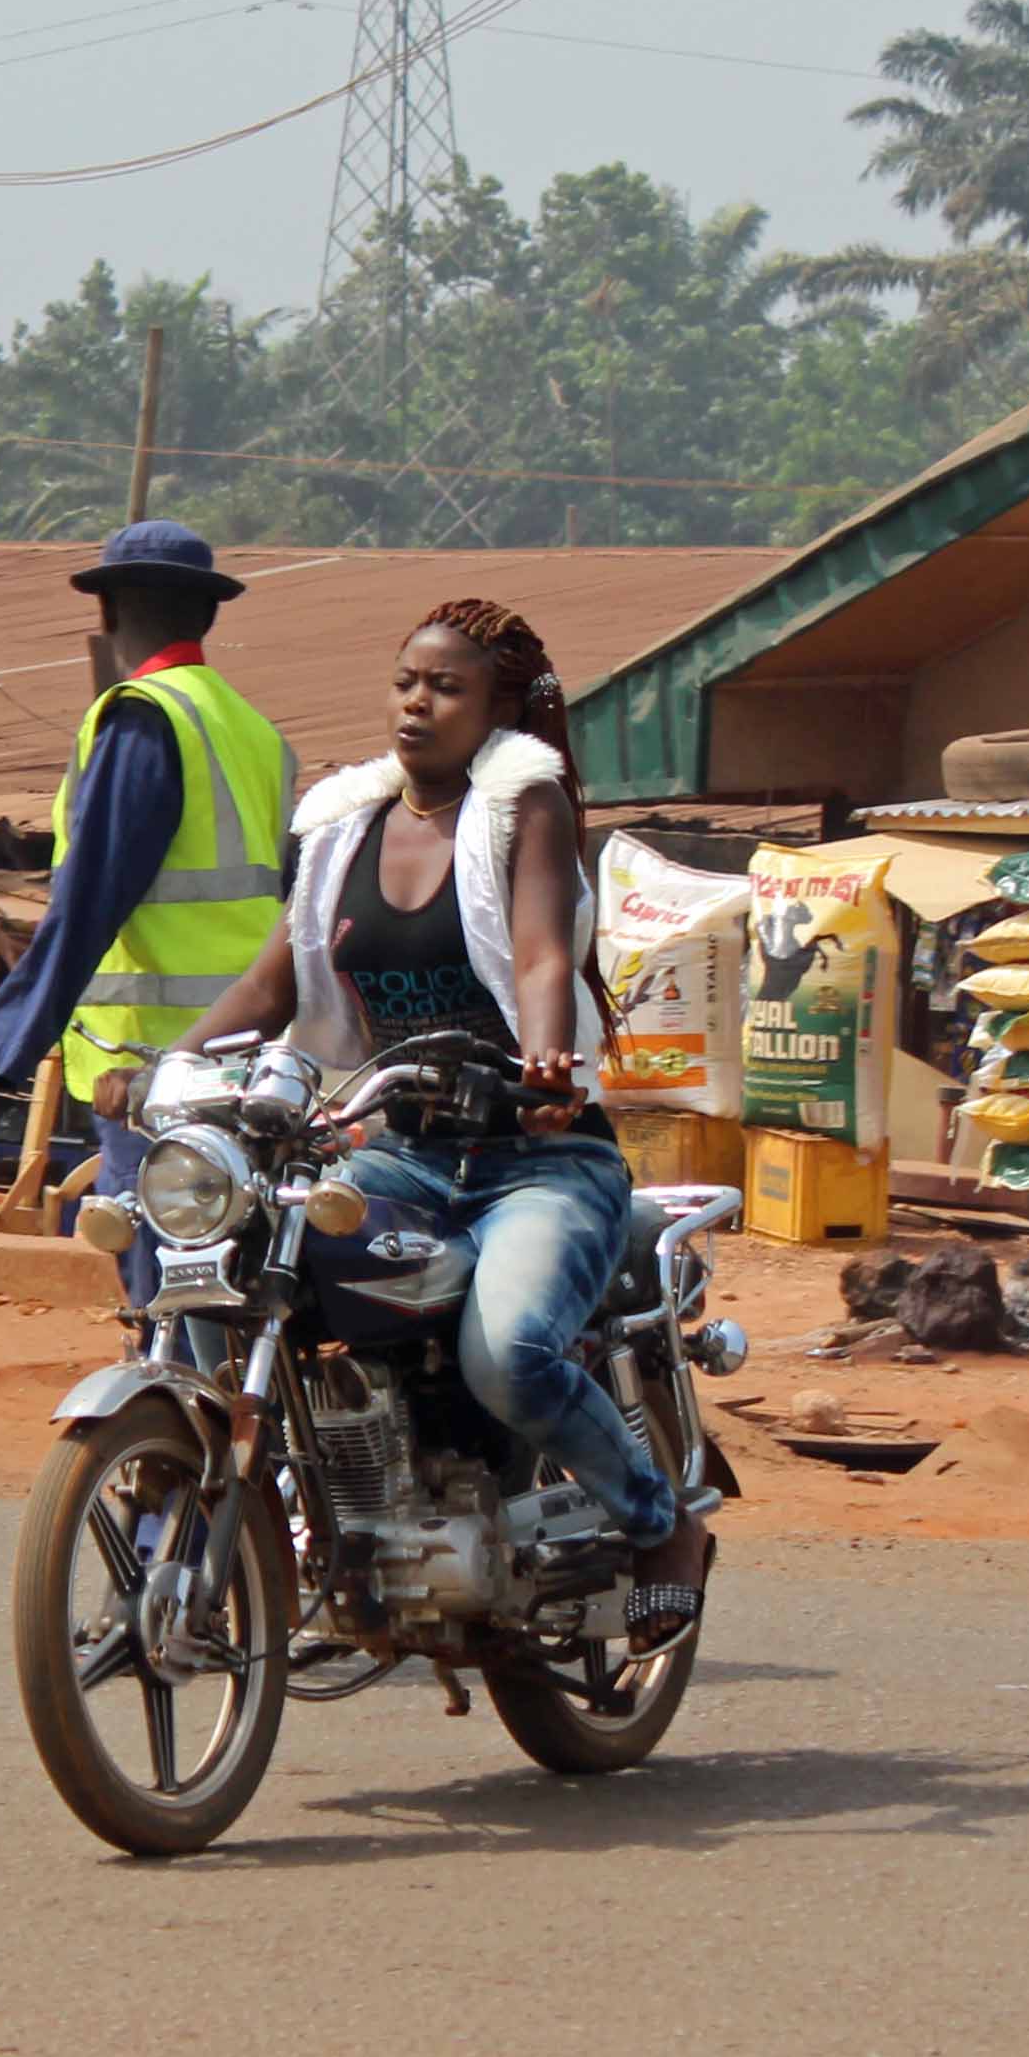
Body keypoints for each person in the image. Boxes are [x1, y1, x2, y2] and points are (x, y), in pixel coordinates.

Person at [166, 595, 693, 1621]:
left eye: (447, 688)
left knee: (509, 1358)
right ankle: (310, 1509)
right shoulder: (340, 829)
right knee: (238, 1273)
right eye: (406, 681)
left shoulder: (522, 807)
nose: (417, 703)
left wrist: (546, 1061)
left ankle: (656, 1518)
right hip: (398, 1155)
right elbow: (273, 984)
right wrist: (172, 1066)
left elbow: (541, 954)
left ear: (498, 709)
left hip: (538, 1162)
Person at [0, 522, 297, 1215]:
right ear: (208, 614)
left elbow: (86, 907)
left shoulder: (144, 718)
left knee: (161, 1265)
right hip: (250, 1054)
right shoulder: (257, 733)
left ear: (106, 612)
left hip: (155, 1070)